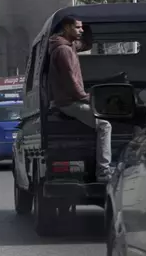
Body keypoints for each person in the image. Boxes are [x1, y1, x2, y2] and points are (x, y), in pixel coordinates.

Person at [48, 15, 113, 182]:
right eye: (78, 27)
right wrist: (85, 98)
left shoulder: (70, 46)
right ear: (67, 28)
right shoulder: (63, 51)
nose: (81, 30)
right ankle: (103, 171)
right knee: (104, 125)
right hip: (68, 102)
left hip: (72, 99)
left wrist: (88, 24)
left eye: (82, 27)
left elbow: (86, 43)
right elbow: (70, 81)